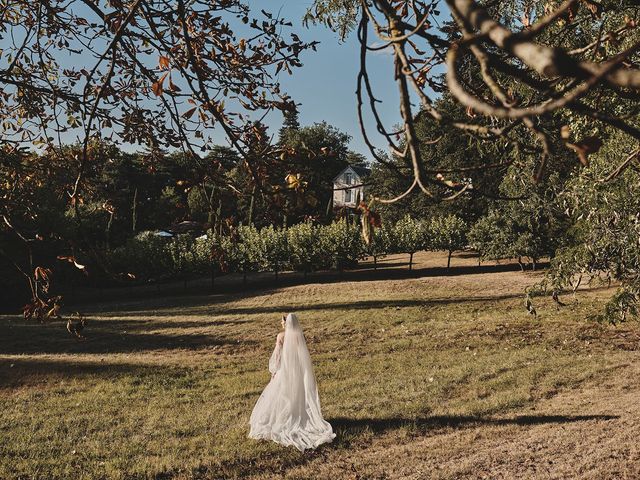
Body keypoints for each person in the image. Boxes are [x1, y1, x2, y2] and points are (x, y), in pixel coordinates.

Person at [249, 313, 335, 451]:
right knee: (297, 395)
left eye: (283, 322)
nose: (282, 324)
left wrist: (274, 371)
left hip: (285, 370)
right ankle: (297, 416)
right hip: (298, 372)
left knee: (281, 395)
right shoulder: (299, 336)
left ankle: (281, 419)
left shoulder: (281, 336)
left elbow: (277, 357)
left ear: (285, 323)